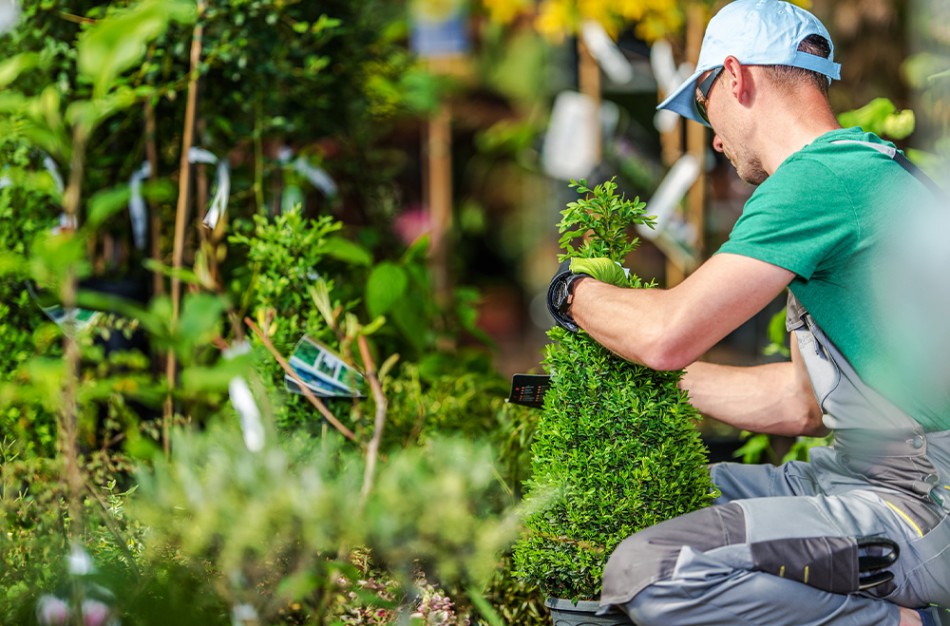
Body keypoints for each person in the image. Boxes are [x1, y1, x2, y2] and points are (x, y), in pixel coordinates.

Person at [546, 1, 950, 625]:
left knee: (656, 570)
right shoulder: (853, 172)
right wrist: (634, 381)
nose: (712, 136)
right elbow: (799, 405)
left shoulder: (820, 180)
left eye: (705, 107)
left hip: (921, 504)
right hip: (854, 475)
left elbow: (665, 335)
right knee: (619, 502)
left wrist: (571, 293)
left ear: (736, 77)